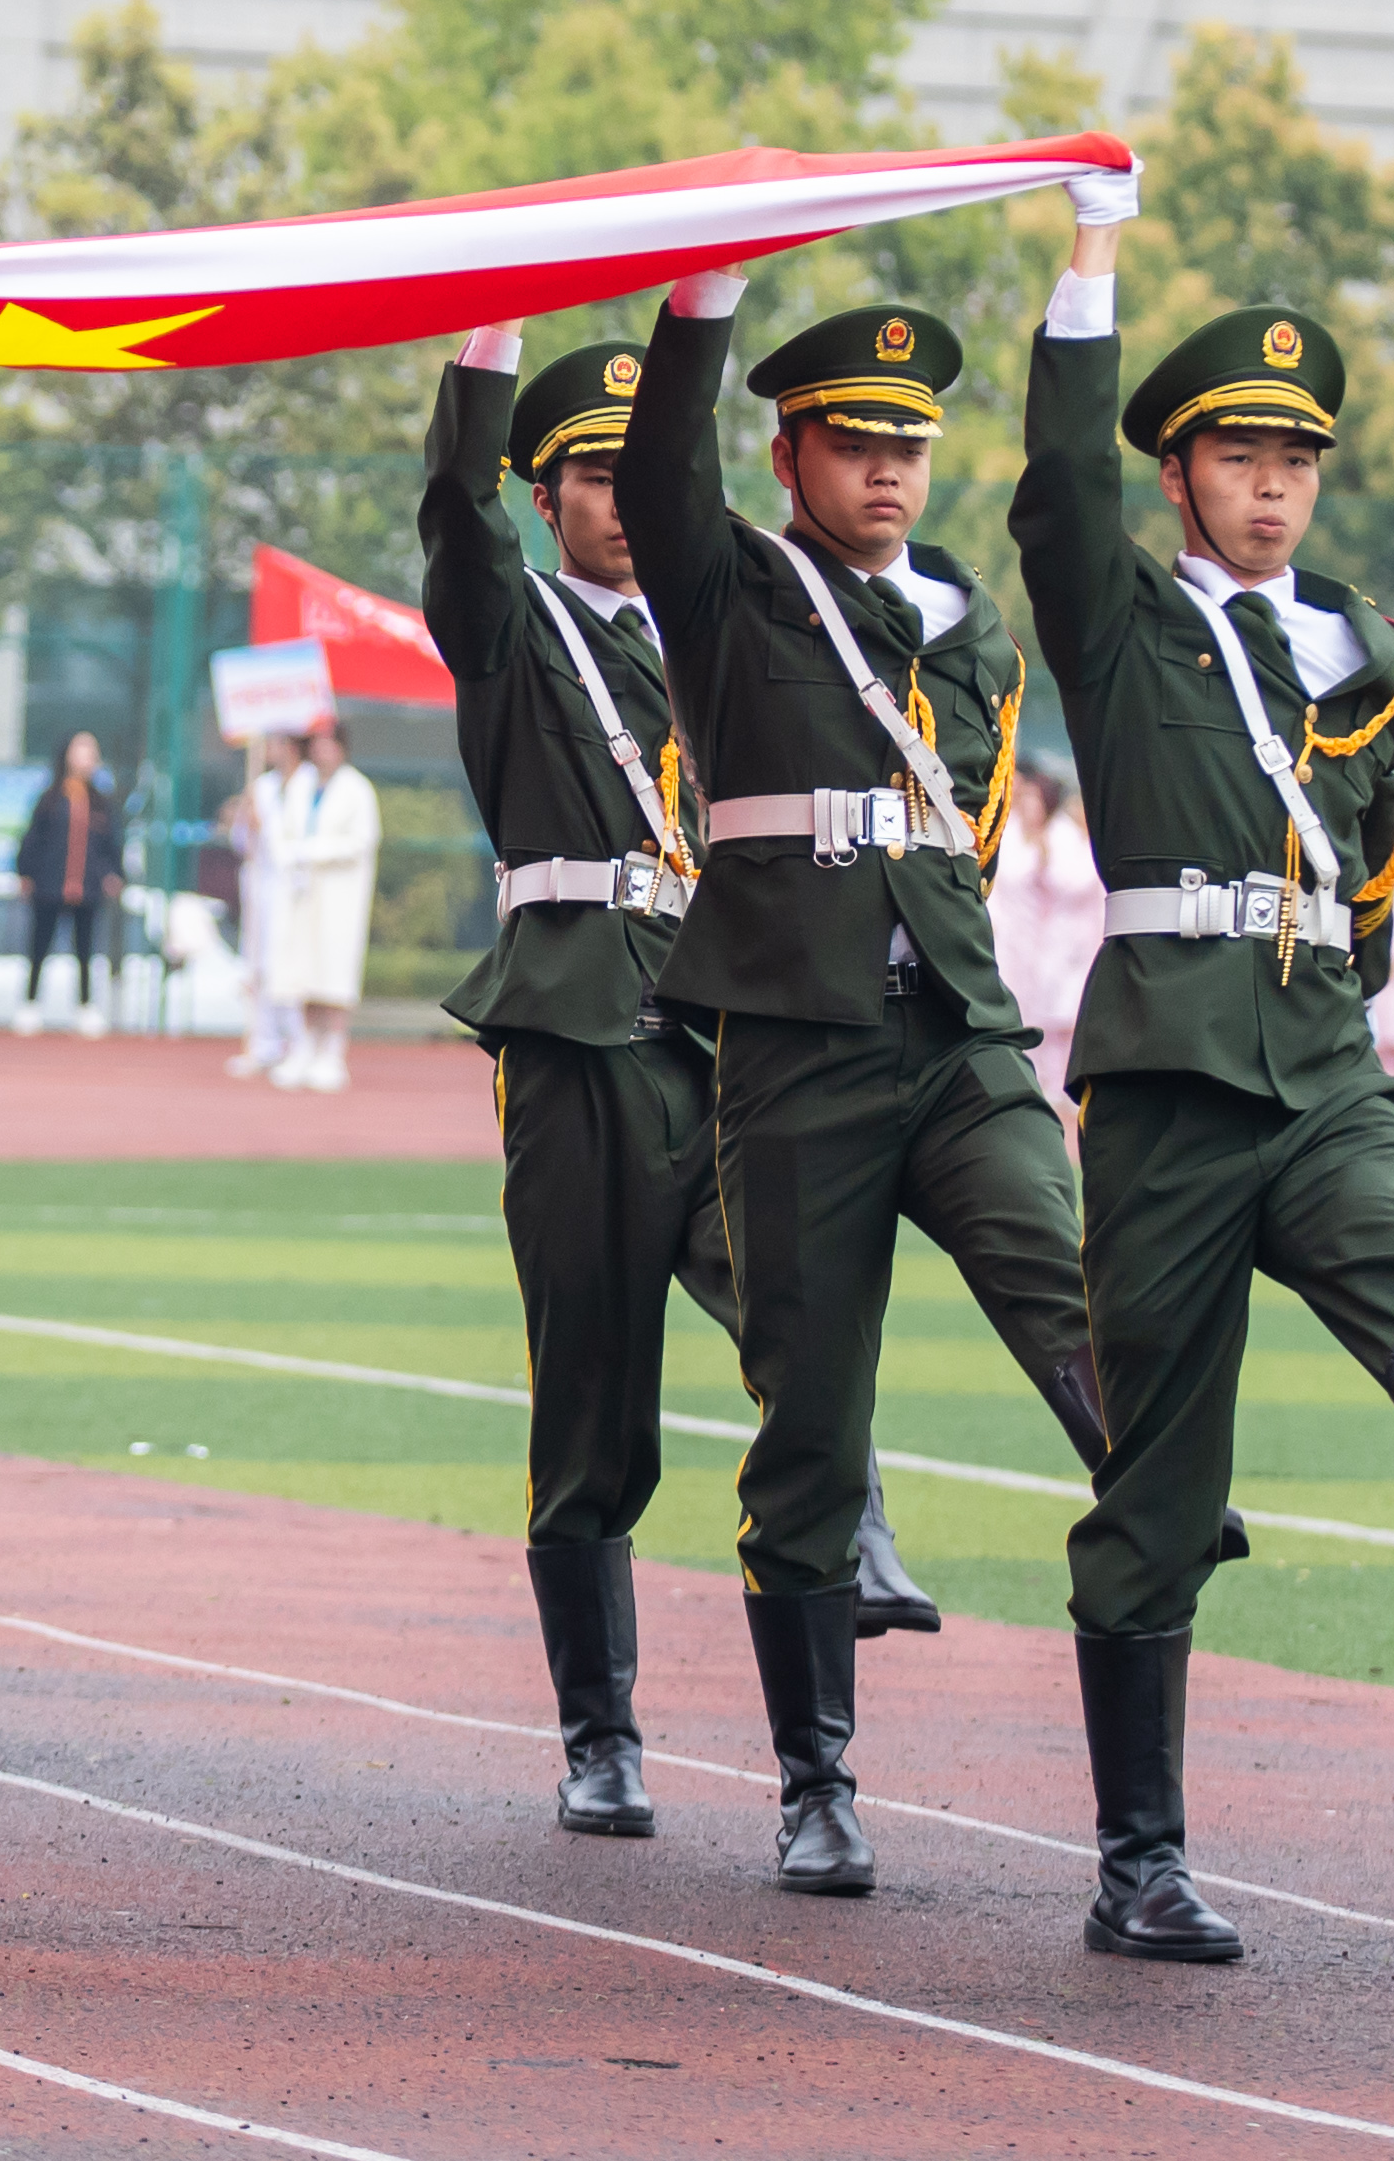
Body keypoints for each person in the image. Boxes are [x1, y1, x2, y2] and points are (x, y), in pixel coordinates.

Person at [1019, 168, 1394, 1968]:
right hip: (1172, 1073)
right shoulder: (1127, 626)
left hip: (1318, 1050)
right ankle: (1142, 1861)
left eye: (1298, 459)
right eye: (1237, 456)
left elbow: (1368, 888)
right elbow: (1053, 491)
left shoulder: (1385, 670)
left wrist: (1338, 992)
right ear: (1181, 473)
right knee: (1160, 1475)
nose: (1272, 486)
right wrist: (1091, 257)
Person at [613, 266, 1113, 1913]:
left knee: (1078, 1276)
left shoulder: (969, 634)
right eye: (853, 440)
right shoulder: (731, 588)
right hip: (795, 1041)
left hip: (957, 1032)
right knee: (810, 1421)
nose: (890, 467)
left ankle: (1154, 1474)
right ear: (788, 455)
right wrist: (708, 289)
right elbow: (667, 463)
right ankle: (816, 1779)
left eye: (910, 440)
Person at [428, 331, 933, 1839]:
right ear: (543, 493)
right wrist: (483, 342)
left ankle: (852, 1558)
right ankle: (599, 1732)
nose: (614, 502)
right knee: (592, 1396)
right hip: (581, 1033)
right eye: (586, 477)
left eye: (625, 472)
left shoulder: (732, 619)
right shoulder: (514, 623)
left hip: (726, 1025)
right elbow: (448, 515)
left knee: (801, 1316)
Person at [266, 721, 380, 1091]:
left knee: (334, 971)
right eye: (316, 744)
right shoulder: (300, 786)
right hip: (302, 893)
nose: (321, 751)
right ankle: (303, 1047)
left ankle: (333, 1050)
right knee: (303, 971)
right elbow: (283, 831)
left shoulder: (357, 789)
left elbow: (362, 841)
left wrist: (315, 852)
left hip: (339, 894)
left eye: (328, 744)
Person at [991, 764, 1105, 1107]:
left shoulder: (1064, 839)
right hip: (1018, 932)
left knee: (1063, 1012)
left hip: (1059, 938)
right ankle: (1022, 1078)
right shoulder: (1022, 836)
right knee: (1026, 1007)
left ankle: (1058, 1084)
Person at [15, 728, 123, 1034]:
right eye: (80, 749)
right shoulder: (50, 799)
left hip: (87, 889)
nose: (86, 757)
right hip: (49, 886)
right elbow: (32, 840)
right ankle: (30, 1003)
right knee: (39, 946)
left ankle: (86, 1006)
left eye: (91, 751)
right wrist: (25, 873)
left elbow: (112, 845)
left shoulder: (101, 803)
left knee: (85, 951)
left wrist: (112, 874)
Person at [228, 735, 305, 1080]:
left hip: (295, 889)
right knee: (256, 965)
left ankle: (298, 1042)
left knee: (287, 965)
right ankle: (262, 1042)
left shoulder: (309, 784)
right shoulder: (261, 786)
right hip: (259, 887)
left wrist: (267, 825)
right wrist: (244, 819)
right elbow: (241, 843)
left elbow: (295, 839)